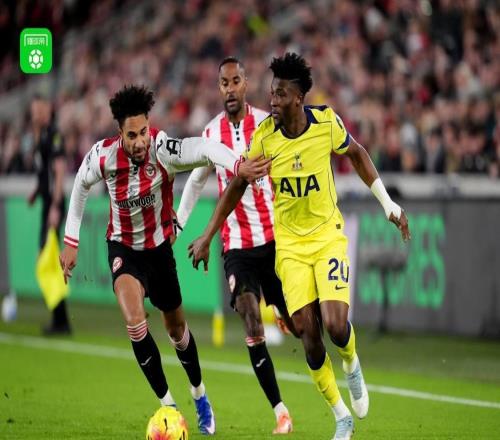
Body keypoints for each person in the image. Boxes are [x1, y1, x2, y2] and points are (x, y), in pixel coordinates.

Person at [188, 53, 411, 440]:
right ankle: (341, 416)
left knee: (336, 327)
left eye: (280, 94)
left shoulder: (325, 123)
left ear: (298, 98)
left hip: (327, 238)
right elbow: (237, 184)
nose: (271, 100)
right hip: (289, 247)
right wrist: (208, 234)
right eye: (271, 93)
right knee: (307, 335)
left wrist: (388, 205)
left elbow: (357, 154)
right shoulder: (265, 137)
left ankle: (351, 363)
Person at [59, 85, 269, 435]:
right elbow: (80, 184)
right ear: (119, 133)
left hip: (159, 253)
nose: (139, 141)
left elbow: (204, 148)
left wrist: (237, 165)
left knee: (177, 332)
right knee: (135, 322)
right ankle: (169, 407)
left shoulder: (163, 149)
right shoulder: (104, 156)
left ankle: (199, 394)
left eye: (143, 132)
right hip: (123, 250)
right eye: (132, 135)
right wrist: (71, 241)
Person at [176, 57, 296, 434]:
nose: (229, 88)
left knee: (299, 325)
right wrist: (179, 223)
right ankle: (280, 411)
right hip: (237, 247)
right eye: (223, 83)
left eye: (235, 81)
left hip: (275, 241)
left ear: (246, 84)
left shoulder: (267, 123)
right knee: (250, 318)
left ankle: (284, 312)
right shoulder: (211, 134)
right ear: (219, 88)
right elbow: (196, 181)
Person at [28, 95, 71, 335]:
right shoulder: (41, 134)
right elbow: (44, 171)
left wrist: (55, 206)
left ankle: (61, 320)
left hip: (53, 205)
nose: (34, 114)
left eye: (38, 109)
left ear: (47, 109)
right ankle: (59, 318)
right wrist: (36, 192)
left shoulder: (53, 134)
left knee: (49, 260)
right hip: (47, 202)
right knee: (48, 260)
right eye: (33, 110)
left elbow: (59, 170)